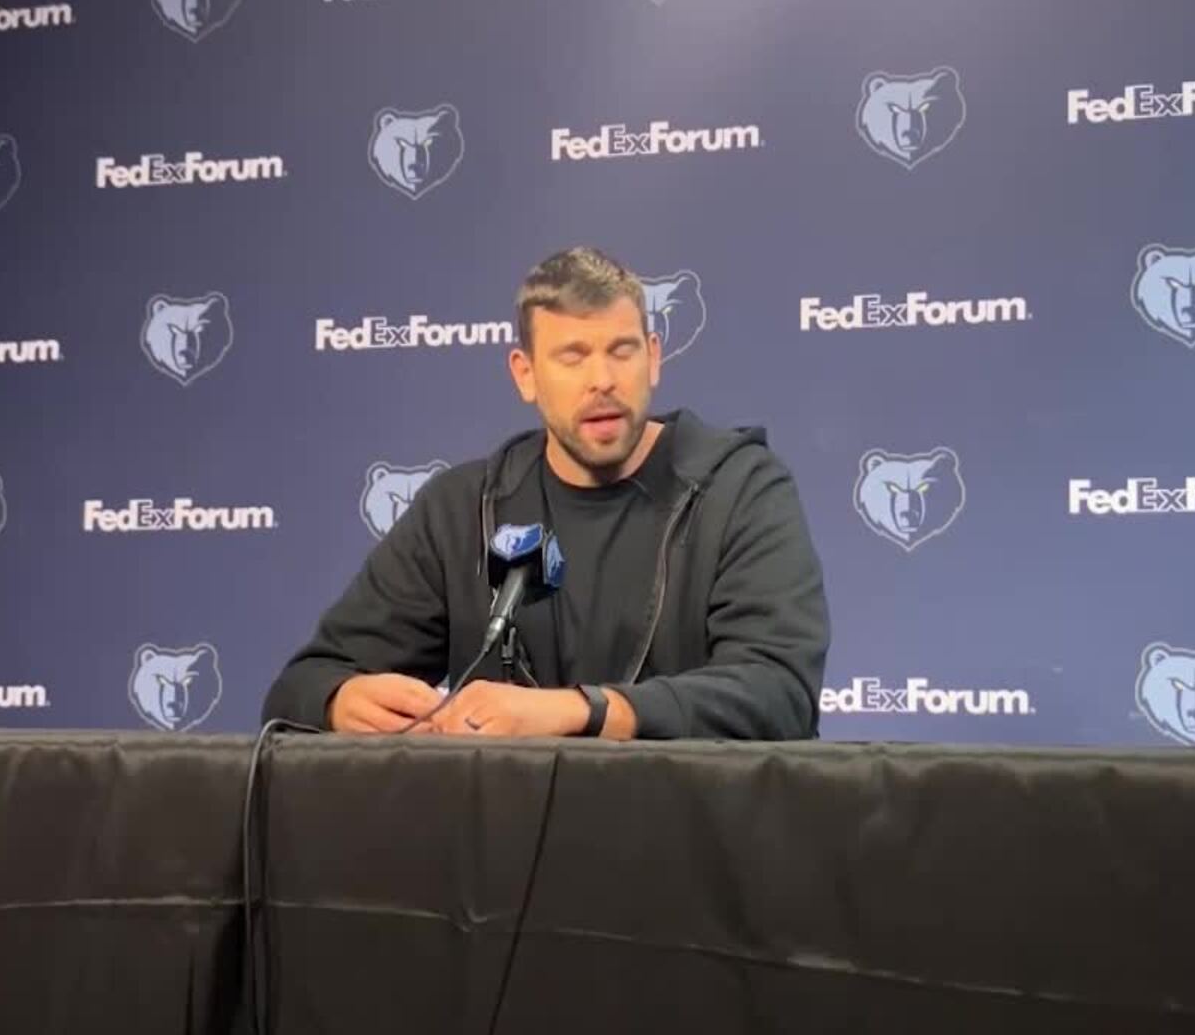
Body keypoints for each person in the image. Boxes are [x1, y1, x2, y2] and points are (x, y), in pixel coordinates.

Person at [262, 247, 829, 739]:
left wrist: (579, 712)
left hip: (683, 826)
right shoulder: (464, 510)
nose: (602, 380)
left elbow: (778, 693)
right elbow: (300, 688)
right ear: (525, 373)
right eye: (573, 356)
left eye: (622, 351)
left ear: (654, 357)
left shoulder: (739, 490)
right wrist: (338, 702)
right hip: (503, 829)